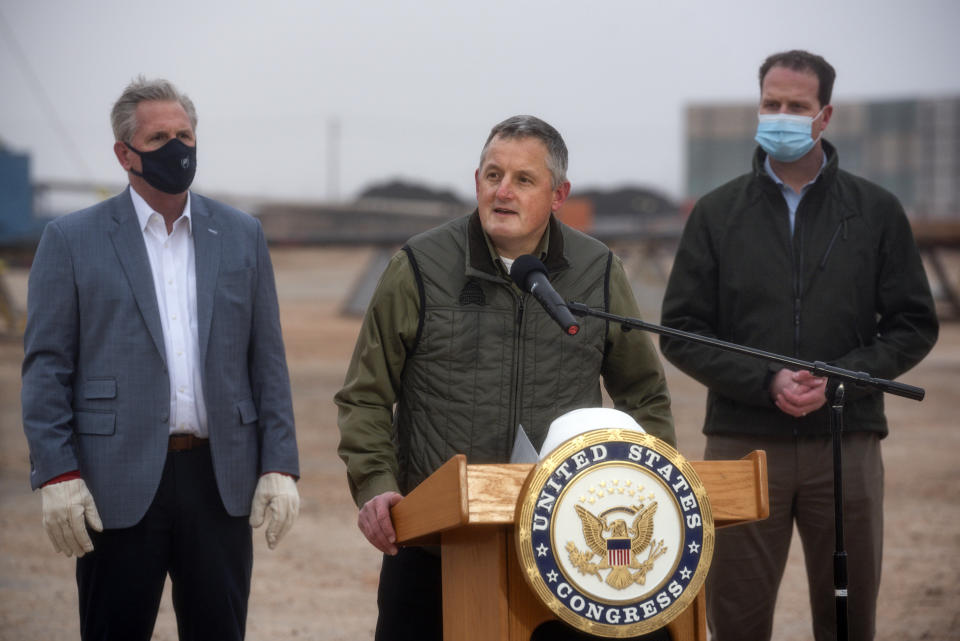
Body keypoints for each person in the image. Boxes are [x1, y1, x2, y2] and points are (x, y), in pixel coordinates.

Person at [336, 115, 675, 640]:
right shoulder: (419, 267)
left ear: (558, 194)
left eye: (523, 179)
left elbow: (644, 392)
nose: (503, 192)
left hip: (563, 552)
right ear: (476, 181)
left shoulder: (597, 269)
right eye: (493, 176)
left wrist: (646, 486)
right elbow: (366, 395)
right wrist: (375, 486)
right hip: (435, 543)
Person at [659, 50, 939, 641]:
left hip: (847, 442)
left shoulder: (875, 211)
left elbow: (914, 323)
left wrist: (840, 381)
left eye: (796, 106)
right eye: (771, 103)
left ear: (824, 115)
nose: (780, 115)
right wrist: (765, 380)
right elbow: (682, 328)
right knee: (734, 618)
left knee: (847, 618)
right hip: (739, 440)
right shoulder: (715, 214)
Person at [21, 76, 301, 641]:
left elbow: (266, 359)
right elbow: (47, 368)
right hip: (114, 483)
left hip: (219, 481)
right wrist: (57, 471)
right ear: (125, 154)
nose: (178, 149)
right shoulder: (71, 239)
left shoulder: (242, 235)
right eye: (159, 138)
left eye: (185, 134)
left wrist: (279, 464)